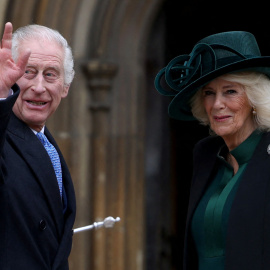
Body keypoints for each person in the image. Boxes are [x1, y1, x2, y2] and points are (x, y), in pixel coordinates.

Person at [155, 31, 270, 270]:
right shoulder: (206, 155)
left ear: (254, 98)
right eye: (209, 93)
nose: (217, 103)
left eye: (230, 91)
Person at [0, 22, 76, 269]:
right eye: (28, 72)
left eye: (51, 74)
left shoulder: (48, 145)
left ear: (65, 87)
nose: (39, 87)